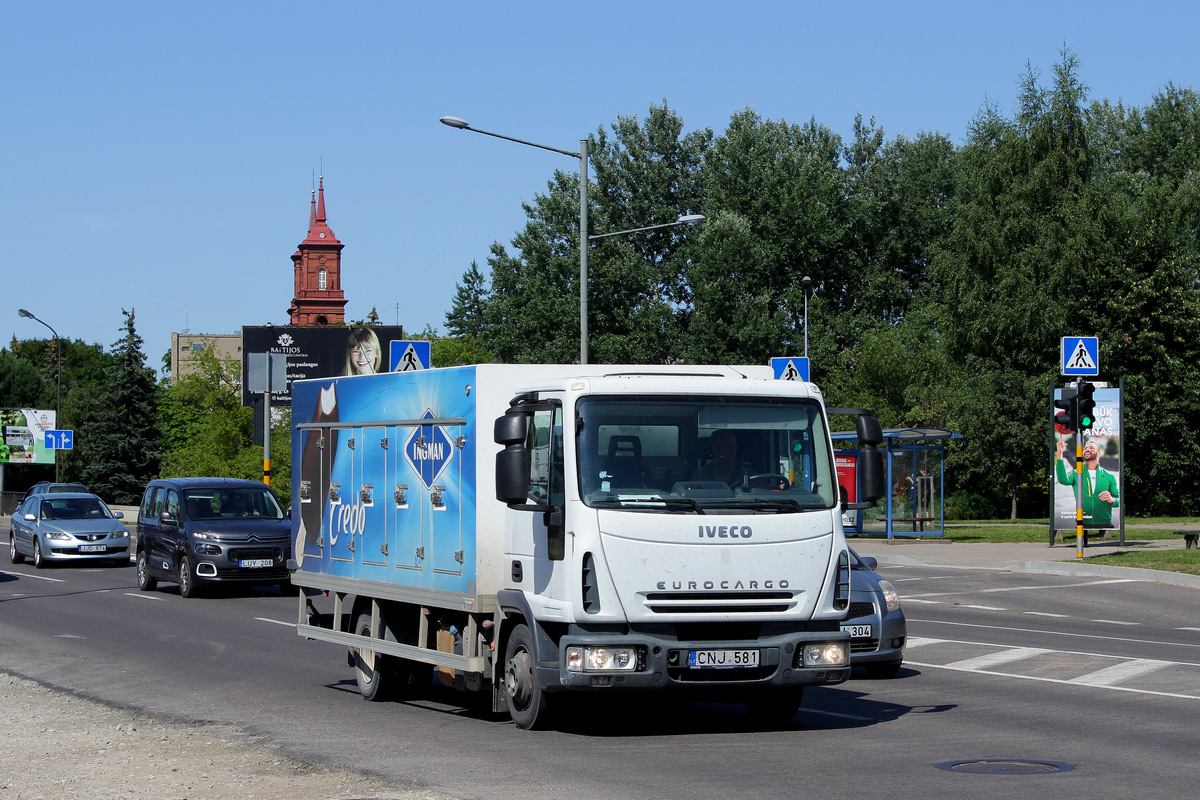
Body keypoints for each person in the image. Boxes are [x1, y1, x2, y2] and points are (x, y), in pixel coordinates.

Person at [1056, 437, 1119, 527]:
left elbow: (1118, 501)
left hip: (1105, 522)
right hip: (1082, 522)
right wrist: (1060, 452)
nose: (1087, 449)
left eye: (1091, 448)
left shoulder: (1109, 476)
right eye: (1085, 448)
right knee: (1080, 540)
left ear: (1099, 454)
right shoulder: (1076, 472)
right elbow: (1063, 480)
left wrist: (1111, 500)